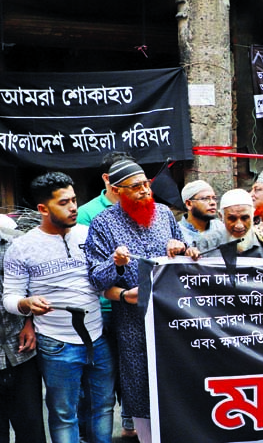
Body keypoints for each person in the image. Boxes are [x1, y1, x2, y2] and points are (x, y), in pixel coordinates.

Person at [85, 159, 198, 442]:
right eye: (136, 187)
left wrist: (183, 248)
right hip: (133, 322)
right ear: (117, 190)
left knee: (177, 383)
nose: (145, 191)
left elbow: (188, 256)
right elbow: (96, 279)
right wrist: (116, 263)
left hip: (171, 319)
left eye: (146, 184)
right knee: (140, 388)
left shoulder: (163, 214)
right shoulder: (102, 224)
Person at [3, 172, 115, 443]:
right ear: (43, 209)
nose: (73, 207)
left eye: (74, 200)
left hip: (98, 336)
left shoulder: (90, 235)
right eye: (64, 203)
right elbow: (10, 296)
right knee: (64, 414)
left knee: (103, 407)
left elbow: (102, 281)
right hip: (56, 343)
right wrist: (26, 304)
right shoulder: (22, 247)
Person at [75, 151, 138, 438]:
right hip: (104, 311)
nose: (140, 189)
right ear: (109, 182)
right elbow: (92, 268)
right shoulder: (90, 214)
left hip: (138, 311)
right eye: (130, 183)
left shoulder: (148, 210)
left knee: (135, 377)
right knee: (103, 381)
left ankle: (133, 428)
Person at [0, 223, 46, 443]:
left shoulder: (13, 245)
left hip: (19, 348)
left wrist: (30, 323)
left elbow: (31, 288)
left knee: (31, 428)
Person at [77, 151, 135, 226]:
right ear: (107, 178)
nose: (133, 181)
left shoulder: (144, 206)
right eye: (125, 175)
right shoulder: (85, 213)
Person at [178, 180, 227, 252]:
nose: (213, 203)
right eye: (205, 199)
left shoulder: (220, 227)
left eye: (214, 198)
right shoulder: (178, 232)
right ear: (188, 204)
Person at [219, 189, 263, 258]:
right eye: (232, 218)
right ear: (221, 217)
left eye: (244, 218)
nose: (239, 226)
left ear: (252, 215)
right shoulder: (210, 244)